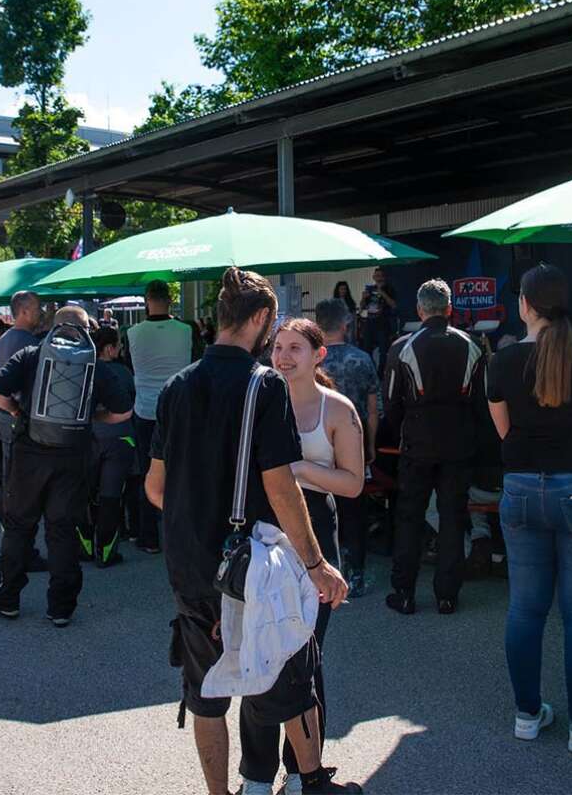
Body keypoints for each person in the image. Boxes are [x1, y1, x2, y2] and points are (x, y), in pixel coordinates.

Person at [144, 267, 358, 795]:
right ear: (261, 319)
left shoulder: (176, 386)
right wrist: (316, 564)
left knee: (204, 695)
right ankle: (312, 781)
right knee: (289, 671)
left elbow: (155, 486)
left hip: (192, 565)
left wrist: (200, 512)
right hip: (253, 566)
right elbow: (283, 489)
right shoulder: (264, 387)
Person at [485, 263, 572, 753]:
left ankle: (527, 715)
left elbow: (503, 431)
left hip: (520, 489)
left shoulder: (500, 362)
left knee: (525, 608)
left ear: (524, 305)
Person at [0, 305, 133, 625]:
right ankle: (61, 608)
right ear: (86, 331)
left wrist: (16, 412)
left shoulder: (31, 354)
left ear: (55, 327)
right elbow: (123, 411)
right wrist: (93, 418)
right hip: (73, 454)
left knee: (19, 526)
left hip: (29, 452)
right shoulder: (94, 363)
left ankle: (8, 596)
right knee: (62, 529)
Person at [270, 317, 366, 785]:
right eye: (278, 347)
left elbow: (354, 482)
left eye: (295, 349)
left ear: (318, 355)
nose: (284, 357)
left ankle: (304, 765)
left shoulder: (338, 410)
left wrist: (297, 468)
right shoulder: (262, 399)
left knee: (307, 650)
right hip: (267, 531)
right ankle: (261, 767)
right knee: (268, 646)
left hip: (316, 532)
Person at [382, 278, 487, 616]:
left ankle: (405, 592)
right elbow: (481, 401)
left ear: (419, 310)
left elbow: (391, 403)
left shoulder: (402, 346)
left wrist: (402, 433)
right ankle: (447, 595)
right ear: (449, 309)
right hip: (458, 445)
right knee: (453, 518)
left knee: (409, 517)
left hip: (417, 444)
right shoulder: (471, 345)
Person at [314, 297, 379, 595]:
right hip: (355, 441)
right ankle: (356, 573)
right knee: (354, 509)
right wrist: (371, 446)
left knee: (318, 505)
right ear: (345, 324)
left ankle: (322, 568)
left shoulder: (311, 359)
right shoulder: (362, 359)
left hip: (318, 442)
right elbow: (373, 409)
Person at [124, 279, 193, 554]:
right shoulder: (187, 330)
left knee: (147, 472)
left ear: (146, 300)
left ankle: (148, 536)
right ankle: (181, 532)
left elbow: (130, 366)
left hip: (145, 409)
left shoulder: (132, 332)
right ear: (169, 299)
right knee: (182, 473)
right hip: (179, 409)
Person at [79, 326, 137, 567]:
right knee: (111, 496)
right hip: (120, 438)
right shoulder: (123, 372)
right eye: (119, 345)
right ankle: (106, 552)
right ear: (110, 348)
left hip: (88, 438)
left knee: (86, 493)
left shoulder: (84, 370)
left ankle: (85, 547)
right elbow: (131, 402)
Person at [356, 267, 396, 364]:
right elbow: (362, 306)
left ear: (384, 277)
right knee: (367, 348)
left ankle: (381, 373)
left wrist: (382, 293)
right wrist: (363, 298)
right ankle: (371, 370)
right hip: (370, 320)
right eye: (376, 276)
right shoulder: (370, 289)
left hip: (383, 321)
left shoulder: (389, 288)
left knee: (383, 349)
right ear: (373, 277)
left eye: (380, 276)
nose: (378, 278)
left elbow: (394, 305)